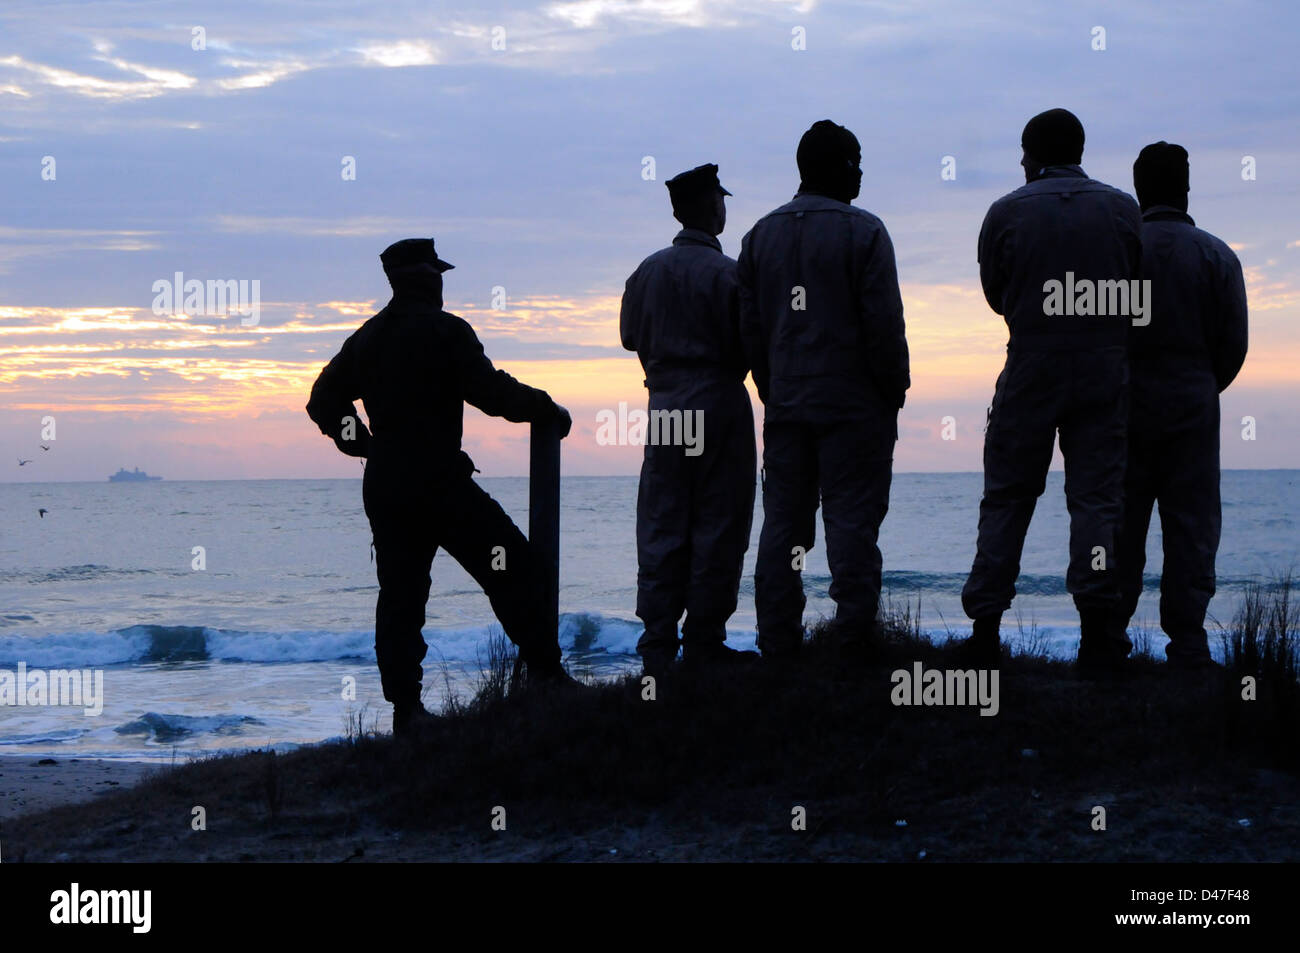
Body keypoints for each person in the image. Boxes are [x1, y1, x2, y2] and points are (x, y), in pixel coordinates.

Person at [307, 237, 577, 736]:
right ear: (427, 278)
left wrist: (364, 445)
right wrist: (546, 408)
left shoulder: (367, 338)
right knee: (513, 565)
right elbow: (492, 393)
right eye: (439, 274)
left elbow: (323, 400)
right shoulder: (445, 331)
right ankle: (545, 673)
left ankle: (406, 710)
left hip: (389, 486)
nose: (443, 284)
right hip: (438, 484)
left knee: (401, 599)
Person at [959, 108, 1142, 672]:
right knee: (1096, 499)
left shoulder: (1007, 211)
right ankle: (1097, 635)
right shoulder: (1120, 209)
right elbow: (1135, 286)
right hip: (1102, 363)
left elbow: (995, 291)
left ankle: (986, 631)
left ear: (1032, 154)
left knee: (1009, 496)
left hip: (1033, 357)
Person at [738, 120, 910, 660]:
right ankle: (854, 641)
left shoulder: (760, 237)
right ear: (836, 166)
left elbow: (751, 333)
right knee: (852, 527)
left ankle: (778, 643)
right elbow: (884, 324)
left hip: (788, 406)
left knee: (784, 529)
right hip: (855, 408)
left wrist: (773, 388)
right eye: (855, 160)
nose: (861, 171)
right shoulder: (865, 232)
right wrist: (894, 389)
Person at [1113, 142, 1248, 669]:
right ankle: (1187, 641)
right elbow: (1233, 346)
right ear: (1185, 186)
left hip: (1124, 406)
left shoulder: (1120, 252)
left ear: (1138, 188)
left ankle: (1108, 636)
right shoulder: (1216, 255)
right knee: (1191, 527)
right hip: (1192, 404)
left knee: (1119, 525)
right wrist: (1201, 383)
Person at [620, 163, 757, 677]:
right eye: (720, 200)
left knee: (662, 523)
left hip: (666, 406)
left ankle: (657, 643)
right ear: (710, 208)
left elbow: (630, 337)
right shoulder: (730, 273)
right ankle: (704, 640)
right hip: (720, 401)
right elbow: (750, 339)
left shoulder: (647, 270)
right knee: (719, 523)